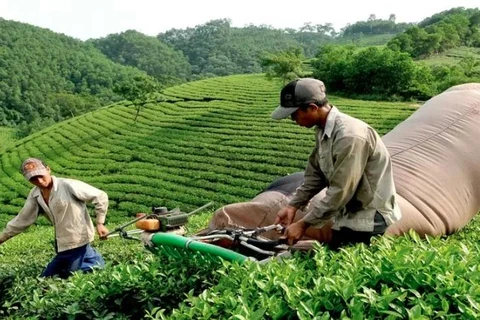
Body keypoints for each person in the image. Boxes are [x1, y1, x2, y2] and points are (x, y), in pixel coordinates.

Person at [271, 78, 402, 249]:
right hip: (347, 213)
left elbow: (342, 190)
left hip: (367, 218)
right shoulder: (323, 130)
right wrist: (293, 205)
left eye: (294, 114)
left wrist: (303, 224)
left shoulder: (349, 136)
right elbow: (315, 175)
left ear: (312, 108)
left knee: (347, 267)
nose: (293, 120)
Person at [0, 158, 109, 278]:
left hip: (76, 242)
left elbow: (100, 196)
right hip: (62, 243)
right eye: (33, 179)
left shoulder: (68, 185)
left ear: (48, 169)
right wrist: (2, 238)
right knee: (89, 263)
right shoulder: (35, 195)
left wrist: (100, 223)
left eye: (41, 176)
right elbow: (22, 220)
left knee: (49, 279)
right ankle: (101, 270)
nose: (39, 181)